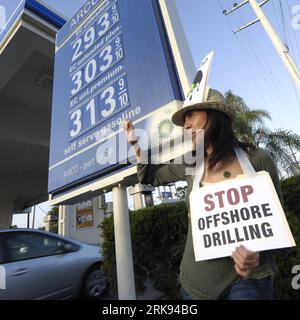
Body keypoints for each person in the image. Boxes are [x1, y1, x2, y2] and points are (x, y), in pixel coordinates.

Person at [123, 88, 286, 300]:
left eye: (191, 115)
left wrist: (258, 254)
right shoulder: (191, 163)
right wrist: (135, 143)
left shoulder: (258, 159)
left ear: (215, 116)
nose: (187, 125)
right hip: (195, 286)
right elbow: (151, 176)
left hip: (249, 283)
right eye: (184, 120)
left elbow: (278, 225)